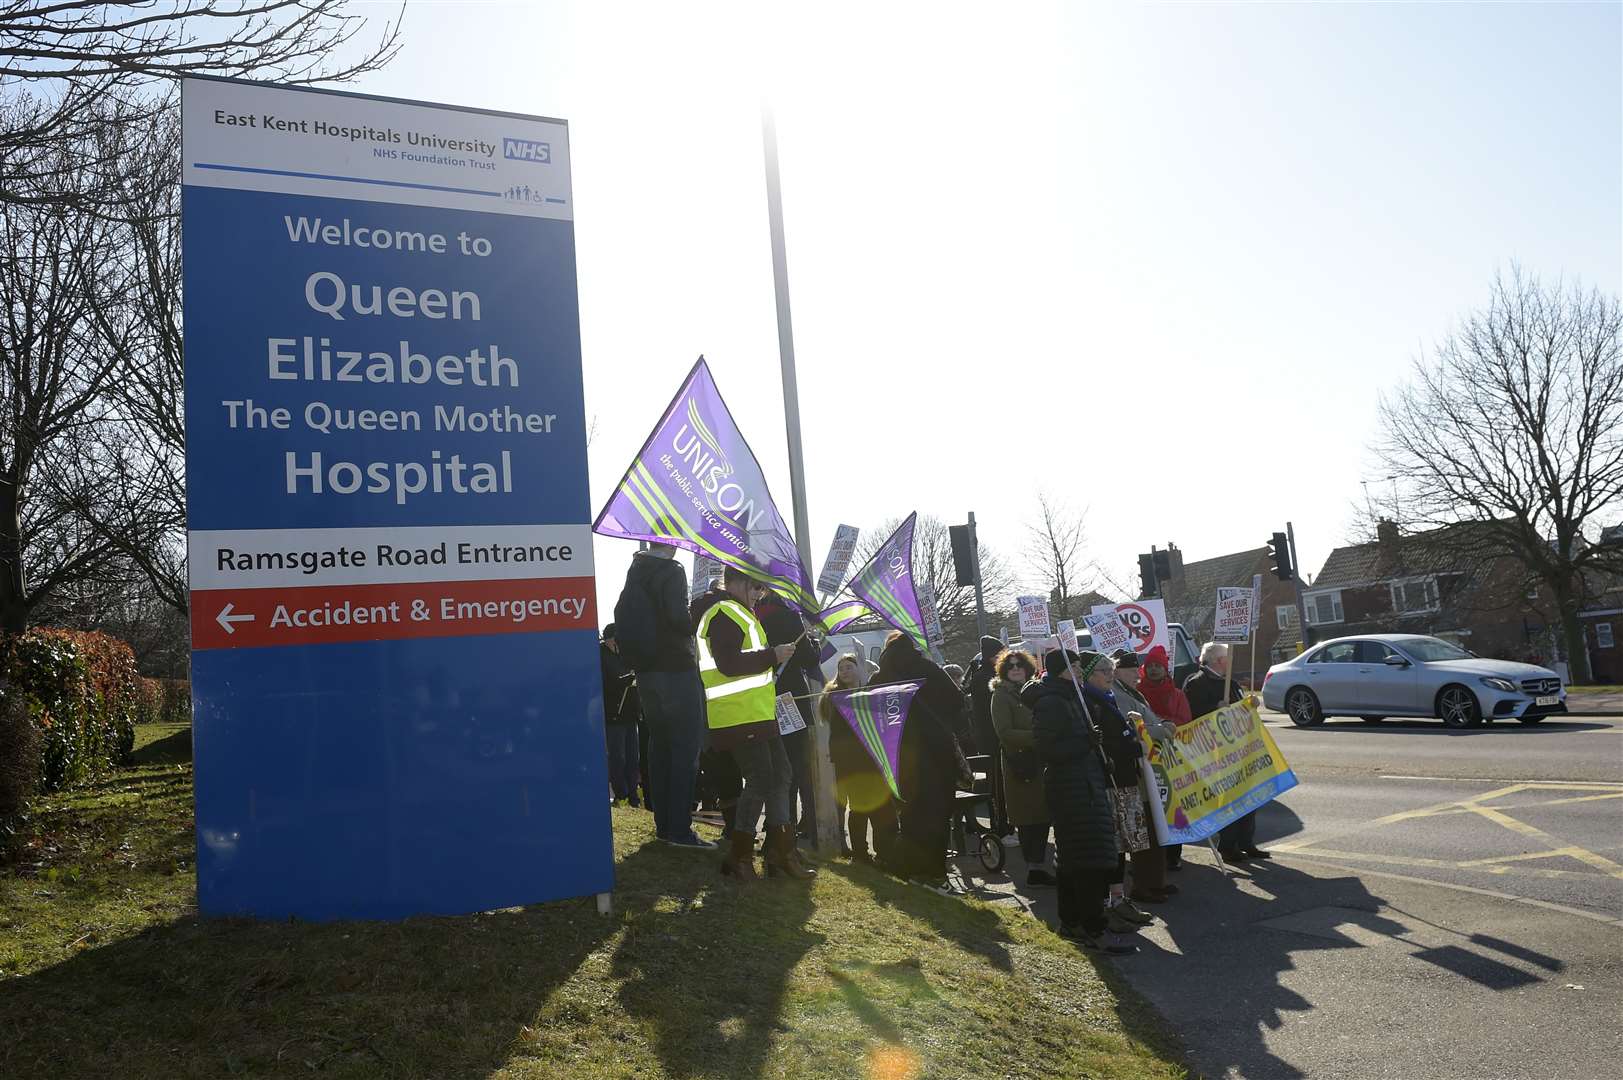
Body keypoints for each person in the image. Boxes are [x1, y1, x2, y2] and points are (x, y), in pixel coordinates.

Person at [691, 567, 813, 881]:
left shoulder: (740, 612)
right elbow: (728, 664)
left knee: (782, 775)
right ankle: (741, 854)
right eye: (756, 587)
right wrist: (772, 655)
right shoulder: (724, 613)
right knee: (762, 779)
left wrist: (772, 657)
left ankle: (780, 851)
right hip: (737, 715)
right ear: (737, 581)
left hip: (757, 713)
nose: (760, 594)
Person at [1025, 649, 1136, 955]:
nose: (1078, 671)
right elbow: (1047, 749)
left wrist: (1099, 759)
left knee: (1079, 860)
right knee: (1086, 861)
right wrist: (1084, 743)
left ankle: (1073, 923)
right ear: (1061, 671)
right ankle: (1092, 927)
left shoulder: (1073, 698)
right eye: (1074, 666)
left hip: (1085, 783)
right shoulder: (1051, 702)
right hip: (1070, 790)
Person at [615, 542, 713, 849]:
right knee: (685, 749)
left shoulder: (635, 571)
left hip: (647, 673)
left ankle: (663, 825)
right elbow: (678, 620)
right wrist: (697, 609)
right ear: (672, 543)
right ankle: (680, 830)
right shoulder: (672, 571)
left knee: (659, 747)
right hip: (675, 669)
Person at [875, 631, 971, 892]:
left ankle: (913, 871)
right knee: (937, 815)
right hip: (935, 753)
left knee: (910, 815)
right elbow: (957, 700)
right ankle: (936, 875)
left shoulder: (880, 677)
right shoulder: (927, 668)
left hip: (900, 756)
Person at [1077, 651, 1155, 933]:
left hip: (1123, 780)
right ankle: (1109, 905)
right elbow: (1106, 744)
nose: (1109, 674)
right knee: (1112, 847)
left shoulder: (1107, 699)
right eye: (1102, 670)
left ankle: (1120, 899)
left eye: (1110, 669)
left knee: (1124, 846)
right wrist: (1134, 745)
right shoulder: (1089, 704)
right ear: (1087, 676)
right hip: (1110, 784)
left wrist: (1133, 732)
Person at [1183, 642, 1270, 864]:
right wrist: (1215, 710)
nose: (1230, 662)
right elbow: (1191, 717)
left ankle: (1246, 842)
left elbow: (1240, 707)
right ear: (1218, 660)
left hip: (1239, 747)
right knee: (1229, 798)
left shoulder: (1229, 681)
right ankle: (1228, 846)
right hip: (1216, 752)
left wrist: (1249, 704)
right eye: (1227, 658)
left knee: (1248, 794)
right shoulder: (1196, 684)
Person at [753, 589, 824, 838]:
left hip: (763, 699)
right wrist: (814, 643)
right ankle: (808, 826)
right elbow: (808, 659)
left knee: (775, 765)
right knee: (800, 767)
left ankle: (780, 826)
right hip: (792, 696)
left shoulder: (752, 616)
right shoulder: (788, 618)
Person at [1111, 649, 1177, 902]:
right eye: (1130, 670)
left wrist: (1160, 725)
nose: (1137, 675)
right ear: (1118, 671)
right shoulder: (1118, 695)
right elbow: (1134, 727)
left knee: (1154, 824)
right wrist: (1161, 730)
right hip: (1138, 769)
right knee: (1145, 828)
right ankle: (1144, 884)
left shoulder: (1129, 691)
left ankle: (1156, 880)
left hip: (1149, 766)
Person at [820, 653, 899, 863]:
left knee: (880, 805)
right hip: (849, 760)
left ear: (859, 669)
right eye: (841, 668)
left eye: (849, 667)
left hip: (870, 758)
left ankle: (884, 852)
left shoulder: (868, 692)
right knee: (859, 807)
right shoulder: (835, 697)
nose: (845, 671)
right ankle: (860, 854)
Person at [989, 648, 1053, 887]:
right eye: (1011, 666)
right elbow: (1004, 733)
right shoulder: (1001, 695)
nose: (1016, 669)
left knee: (1044, 816)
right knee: (1029, 817)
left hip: (1043, 761)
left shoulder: (1037, 690)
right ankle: (1033, 868)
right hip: (1021, 764)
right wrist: (1038, 736)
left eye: (1020, 665)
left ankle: (1039, 866)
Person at [1139, 645, 1192, 869]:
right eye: (1149, 666)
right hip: (1145, 759)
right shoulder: (1138, 693)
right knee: (1151, 808)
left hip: (1171, 757)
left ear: (1165, 669)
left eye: (1157, 666)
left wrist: (1166, 725)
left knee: (1173, 806)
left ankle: (1173, 854)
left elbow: (1185, 722)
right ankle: (1152, 856)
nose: (1153, 670)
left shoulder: (1177, 694)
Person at [967, 635, 1009, 835]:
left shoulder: (990, 675)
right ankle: (999, 827)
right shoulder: (982, 678)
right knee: (996, 786)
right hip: (990, 740)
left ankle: (1007, 824)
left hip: (998, 737)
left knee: (1004, 784)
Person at [600, 624, 642, 807]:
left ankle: (633, 795)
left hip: (630, 713)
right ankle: (621, 794)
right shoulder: (601, 656)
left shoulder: (625, 655)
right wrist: (626, 680)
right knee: (618, 757)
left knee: (633, 757)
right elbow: (608, 683)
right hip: (614, 715)